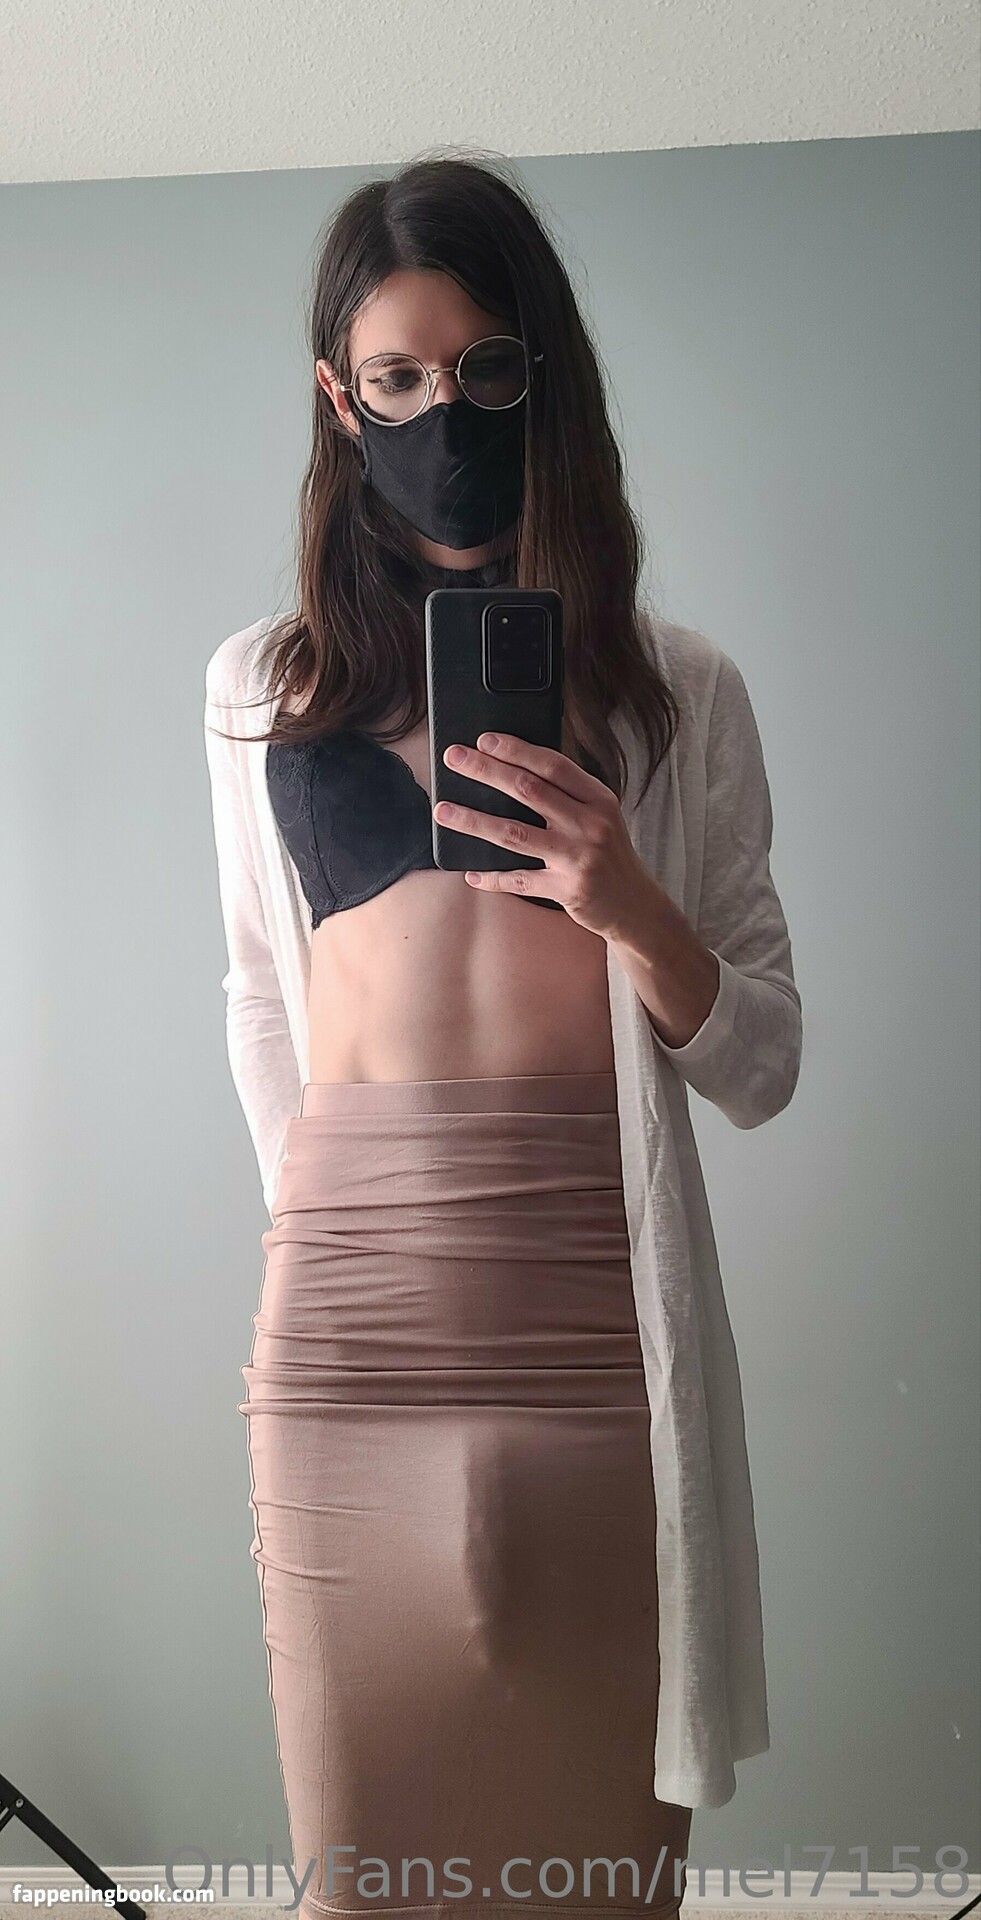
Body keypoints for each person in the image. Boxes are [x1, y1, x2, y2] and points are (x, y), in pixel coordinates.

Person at [203, 151, 803, 1920]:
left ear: (544, 378)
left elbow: (762, 1059)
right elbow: (258, 992)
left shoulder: (674, 694)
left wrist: (628, 902)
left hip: (592, 1332)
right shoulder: (259, 690)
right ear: (338, 400)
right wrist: (315, 1221)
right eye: (393, 378)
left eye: (478, 371)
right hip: (343, 1341)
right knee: (362, 1874)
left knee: (596, 1872)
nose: (437, 416)